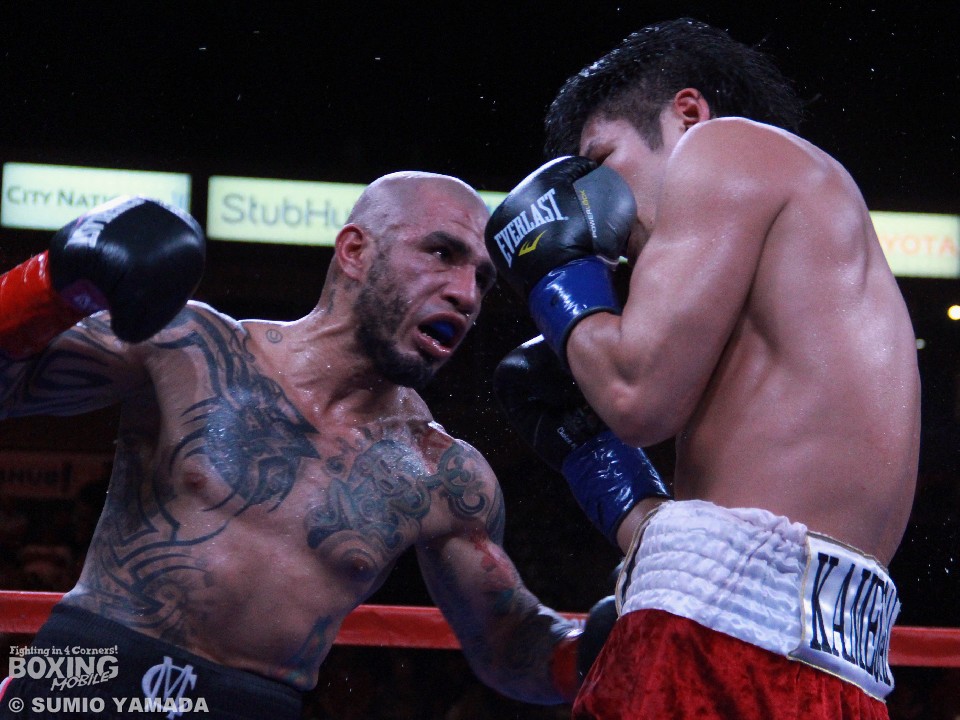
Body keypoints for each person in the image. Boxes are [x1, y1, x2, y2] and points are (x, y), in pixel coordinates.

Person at [0, 174, 611, 719]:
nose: (466, 294)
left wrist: (596, 650)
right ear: (355, 252)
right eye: (442, 253)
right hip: (87, 668)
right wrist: (52, 285)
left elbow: (508, 644)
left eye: (482, 277)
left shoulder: (443, 476)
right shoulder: (191, 349)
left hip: (252, 703)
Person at [486, 17, 920, 719]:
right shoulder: (809, 258)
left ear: (687, 113)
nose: (599, 211)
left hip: (714, 646)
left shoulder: (723, 145)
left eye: (600, 162)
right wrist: (617, 485)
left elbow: (634, 394)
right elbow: (753, 537)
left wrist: (556, 279)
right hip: (837, 667)